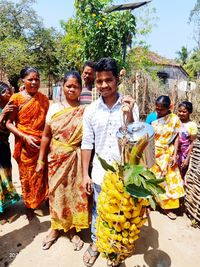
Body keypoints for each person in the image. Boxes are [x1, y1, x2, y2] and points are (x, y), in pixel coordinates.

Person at [81, 57, 135, 267]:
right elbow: (87, 143)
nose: (104, 85)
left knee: (120, 213)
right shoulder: (91, 110)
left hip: (123, 175)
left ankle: (115, 251)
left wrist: (129, 114)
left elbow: (134, 139)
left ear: (117, 80)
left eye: (108, 80)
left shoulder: (130, 105)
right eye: (99, 81)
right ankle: (96, 244)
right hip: (100, 175)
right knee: (98, 210)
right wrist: (85, 173)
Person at [36, 71, 90, 250]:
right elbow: (45, 136)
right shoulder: (54, 108)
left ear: (81, 89)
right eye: (68, 85)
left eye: (75, 86)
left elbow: (88, 140)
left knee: (74, 194)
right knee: (56, 193)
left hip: (75, 159)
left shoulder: (85, 111)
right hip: (56, 159)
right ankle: (56, 227)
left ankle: (73, 230)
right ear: (63, 86)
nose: (72, 89)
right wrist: (41, 160)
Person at [6, 67, 49, 219]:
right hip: (24, 146)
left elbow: (47, 124)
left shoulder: (44, 99)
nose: (34, 82)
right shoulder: (16, 98)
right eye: (30, 79)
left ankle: (41, 201)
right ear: (22, 80)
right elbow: (9, 123)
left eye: (36, 79)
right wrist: (25, 137)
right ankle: (29, 205)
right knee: (26, 177)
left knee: (41, 175)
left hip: (41, 145)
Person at [147, 95, 185, 220]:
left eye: (161, 110)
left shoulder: (174, 119)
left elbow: (176, 138)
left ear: (169, 108)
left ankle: (167, 208)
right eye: (157, 108)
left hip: (167, 153)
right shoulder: (151, 118)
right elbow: (146, 136)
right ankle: (149, 204)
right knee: (152, 178)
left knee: (169, 181)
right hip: (153, 152)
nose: (158, 111)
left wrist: (174, 155)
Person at [0, 82, 20, 222]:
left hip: (4, 148)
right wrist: (3, 114)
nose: (10, 95)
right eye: (7, 92)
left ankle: (5, 205)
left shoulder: (10, 107)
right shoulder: (4, 109)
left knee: (6, 175)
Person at [177, 101, 198, 179]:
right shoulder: (175, 122)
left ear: (189, 112)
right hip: (173, 153)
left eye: (184, 112)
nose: (181, 113)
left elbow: (192, 143)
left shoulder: (192, 126)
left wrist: (187, 159)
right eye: (180, 111)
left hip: (184, 154)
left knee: (180, 177)